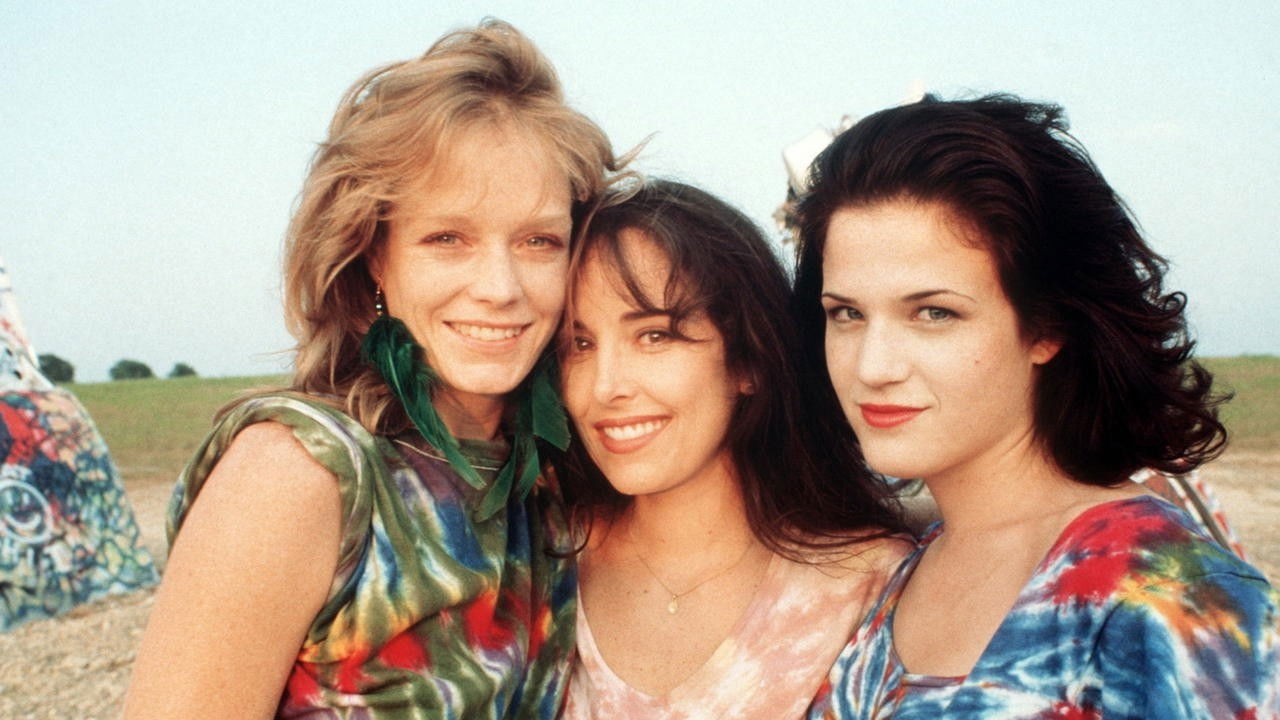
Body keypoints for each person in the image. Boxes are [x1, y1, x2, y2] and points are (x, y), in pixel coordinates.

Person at [124, 20, 624, 719]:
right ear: (374, 257)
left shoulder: (551, 480)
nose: (500, 287)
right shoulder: (297, 475)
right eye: (447, 238)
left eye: (538, 240)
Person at [794, 94, 1280, 719]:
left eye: (934, 313)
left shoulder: (1174, 598)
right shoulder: (895, 573)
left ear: (1047, 325)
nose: (873, 366)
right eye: (846, 314)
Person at [558, 179, 910, 719]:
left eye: (654, 335)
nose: (606, 387)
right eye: (579, 344)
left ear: (747, 360)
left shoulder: (869, 584)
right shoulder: (540, 560)